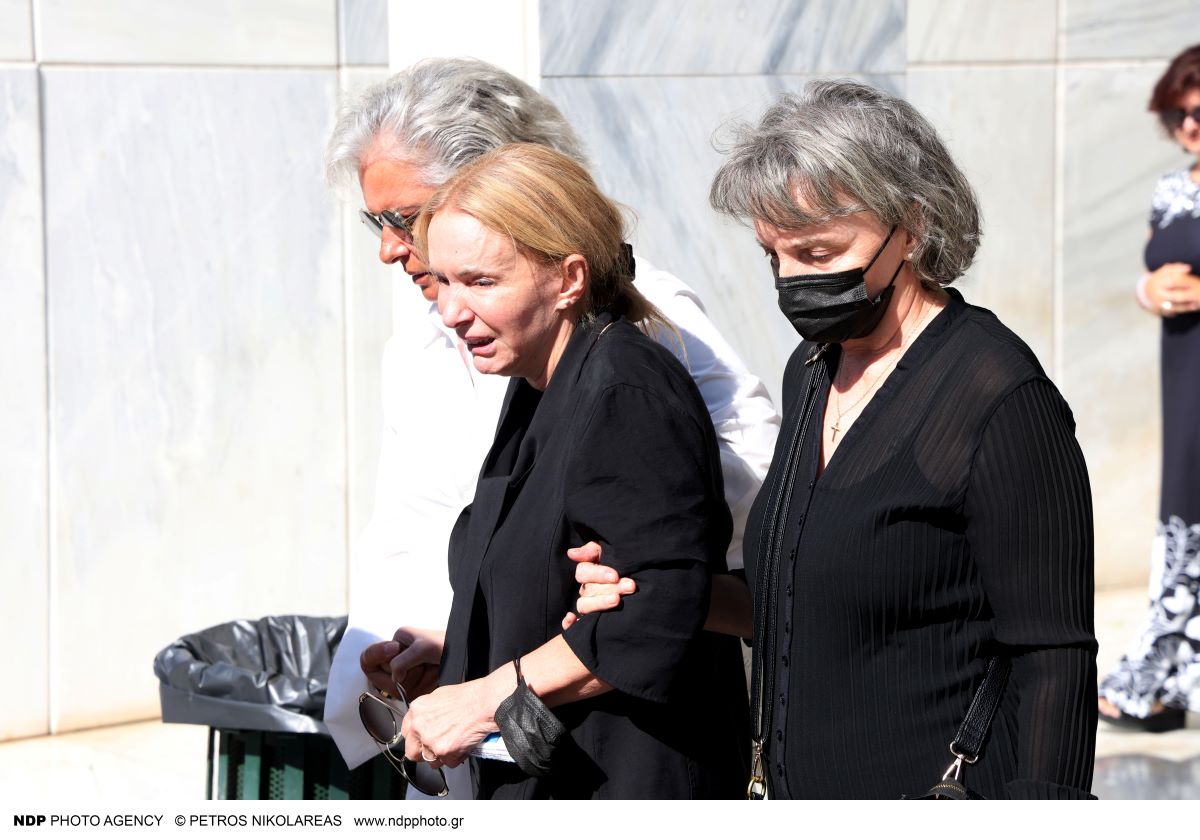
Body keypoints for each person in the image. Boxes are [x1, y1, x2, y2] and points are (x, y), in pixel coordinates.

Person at [573, 79, 1098, 799]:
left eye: (817, 253)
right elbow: (796, 594)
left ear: (911, 227)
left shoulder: (999, 396)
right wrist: (653, 588)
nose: (791, 281)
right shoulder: (813, 369)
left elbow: (1053, 655)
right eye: (774, 256)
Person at [321, 57, 778, 796]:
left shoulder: (624, 351)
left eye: (406, 219)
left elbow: (730, 483)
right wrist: (466, 644)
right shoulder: (503, 352)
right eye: (379, 222)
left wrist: (633, 559)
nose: (391, 247)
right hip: (494, 730)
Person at [1099, 44, 1200, 733]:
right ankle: (1169, 683)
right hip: (1184, 368)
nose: (1190, 124)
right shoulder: (1171, 189)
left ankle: (1153, 682)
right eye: (1178, 113)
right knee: (1185, 513)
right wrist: (1148, 291)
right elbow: (1151, 271)